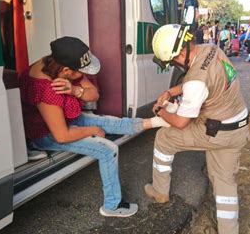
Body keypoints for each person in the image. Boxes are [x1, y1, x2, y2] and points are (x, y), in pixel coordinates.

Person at [19, 36, 169, 218]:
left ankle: (156, 122)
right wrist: (93, 131)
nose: (85, 75)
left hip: (64, 119)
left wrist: (76, 90)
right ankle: (112, 206)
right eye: (81, 72)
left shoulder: (54, 63)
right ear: (67, 71)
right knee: (108, 149)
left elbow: (94, 94)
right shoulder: (47, 88)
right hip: (46, 133)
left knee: (106, 120)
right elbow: (62, 136)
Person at [147, 24, 250, 234]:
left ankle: (160, 191)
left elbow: (182, 122)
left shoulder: (195, 81)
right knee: (225, 182)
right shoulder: (210, 49)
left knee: (164, 137)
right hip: (239, 127)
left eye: (172, 61)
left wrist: (160, 111)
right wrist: (172, 91)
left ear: (181, 54)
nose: (173, 65)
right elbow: (202, 78)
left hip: (215, 131)